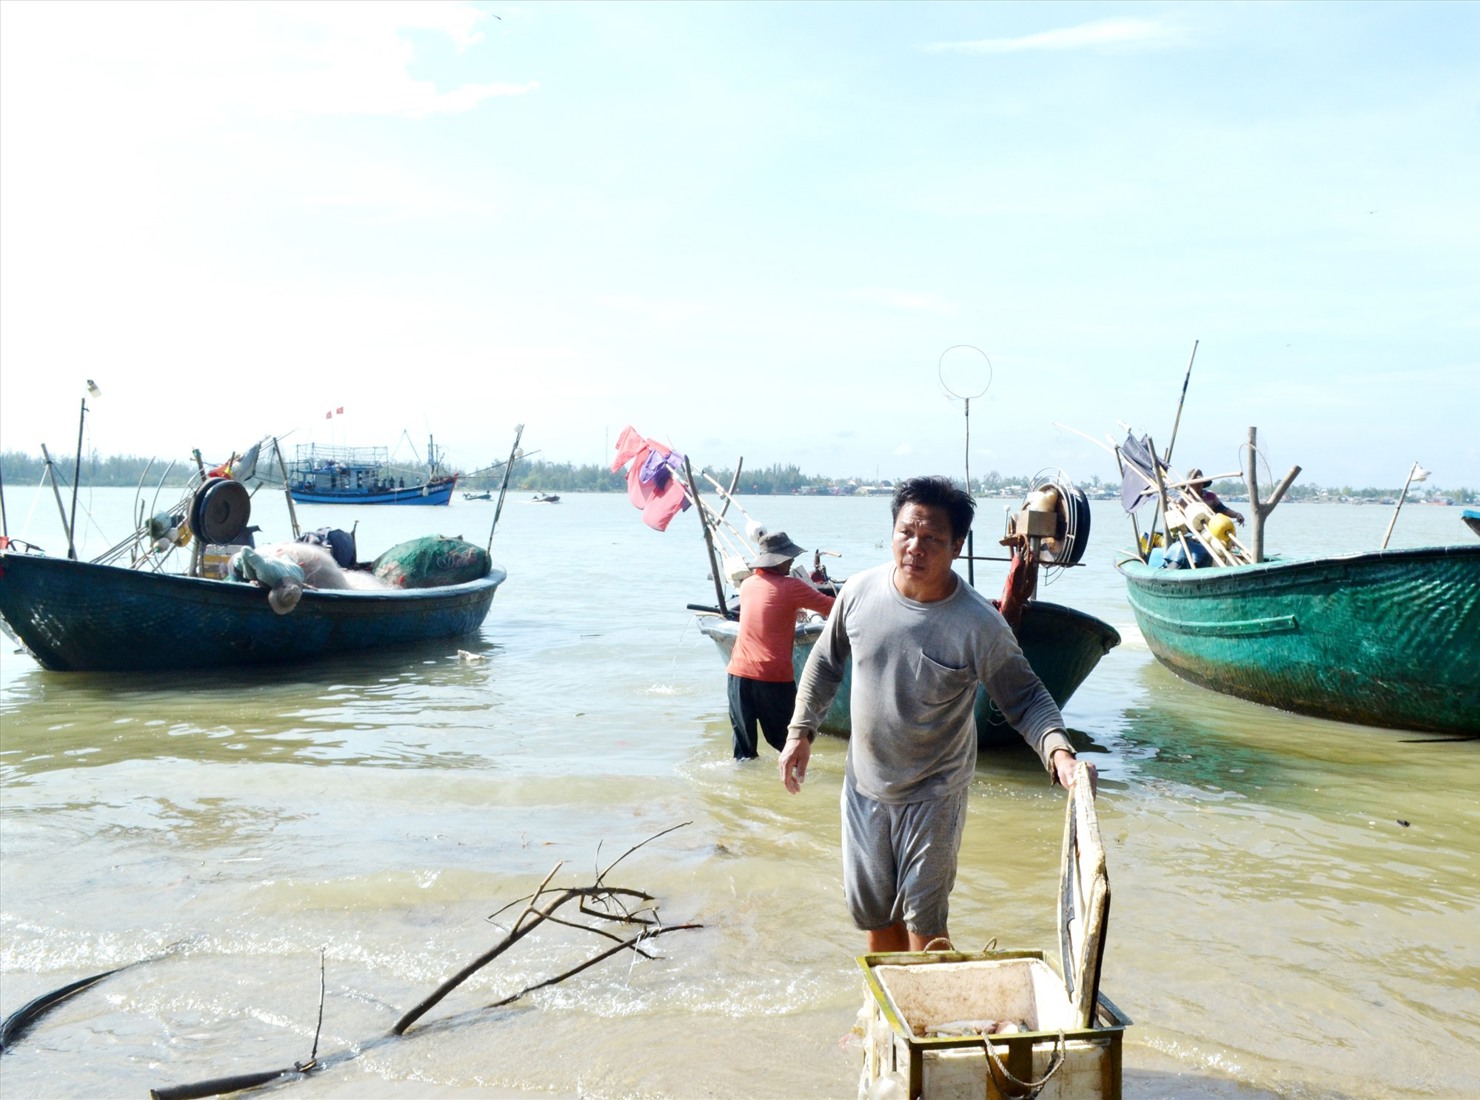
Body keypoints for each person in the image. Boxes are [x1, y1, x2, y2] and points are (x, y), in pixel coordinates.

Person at [777, 476, 1093, 953]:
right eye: (906, 533)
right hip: (864, 787)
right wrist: (800, 733)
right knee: (874, 915)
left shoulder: (978, 624)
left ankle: (935, 1000)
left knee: (924, 921)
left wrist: (1060, 754)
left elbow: (1025, 696)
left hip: (935, 793)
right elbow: (824, 662)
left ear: (957, 545)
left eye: (932, 538)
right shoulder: (859, 593)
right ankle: (887, 1002)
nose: (915, 547)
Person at [726, 531, 836, 760]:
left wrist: (794, 610)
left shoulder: (747, 584)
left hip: (737, 674)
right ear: (779, 561)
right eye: (789, 558)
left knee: (743, 753)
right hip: (772, 677)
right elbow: (832, 607)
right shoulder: (792, 587)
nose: (792, 561)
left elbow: (770, 610)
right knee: (789, 743)